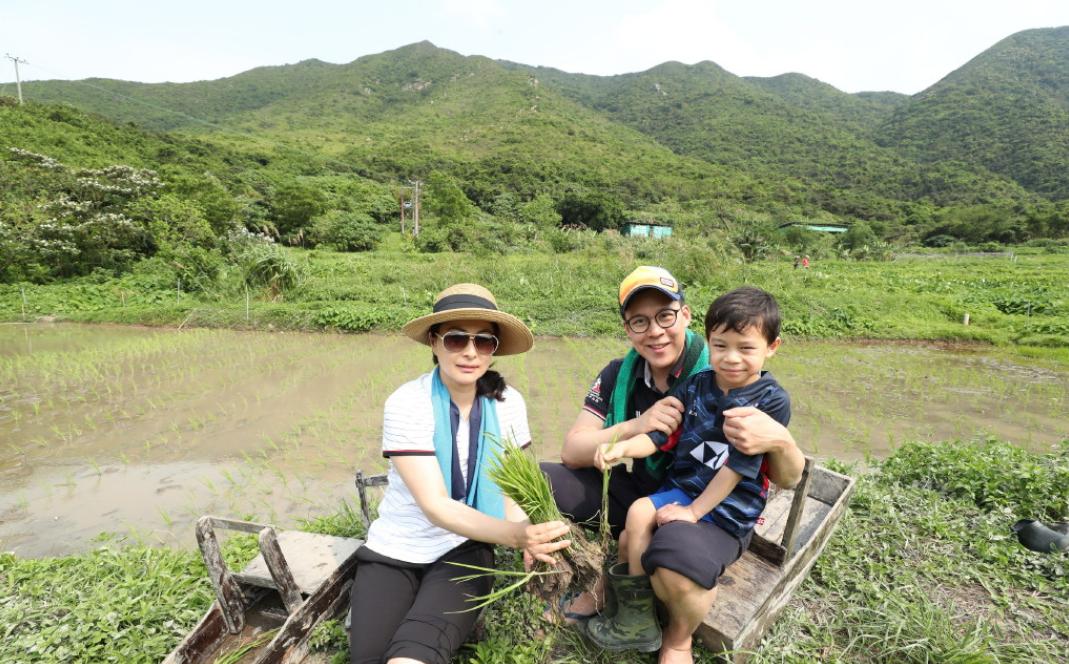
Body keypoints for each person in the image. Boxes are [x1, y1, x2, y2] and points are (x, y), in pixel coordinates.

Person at [539, 266, 804, 663]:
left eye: (665, 316)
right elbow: (587, 448)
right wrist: (624, 438)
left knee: (667, 555)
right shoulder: (637, 376)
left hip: (709, 501)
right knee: (553, 484)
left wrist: (694, 510)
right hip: (659, 488)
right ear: (627, 328)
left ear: (685, 315)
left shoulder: (734, 383)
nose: (655, 331)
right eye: (640, 321)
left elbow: (772, 472)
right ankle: (633, 610)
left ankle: (674, 637)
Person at [349, 284, 571, 664]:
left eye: (483, 341)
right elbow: (435, 505)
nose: (470, 352)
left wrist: (526, 533)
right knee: (368, 657)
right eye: (456, 339)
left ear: (494, 349)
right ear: (434, 342)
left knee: (412, 657)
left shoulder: (508, 404)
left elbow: (511, 486)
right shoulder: (408, 402)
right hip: (396, 547)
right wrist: (516, 536)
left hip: (465, 546)